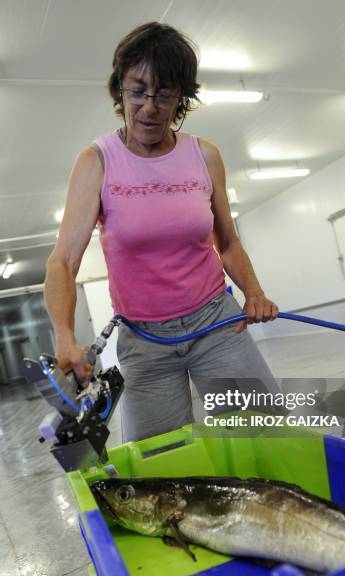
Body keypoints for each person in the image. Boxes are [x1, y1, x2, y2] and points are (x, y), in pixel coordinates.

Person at [45, 22, 280, 442]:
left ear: (182, 98)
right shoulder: (97, 161)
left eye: (165, 93)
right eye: (138, 90)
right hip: (145, 342)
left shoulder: (204, 155)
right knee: (158, 466)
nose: (150, 107)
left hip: (216, 325)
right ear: (120, 90)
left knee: (268, 436)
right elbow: (63, 261)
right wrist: (64, 336)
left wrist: (255, 292)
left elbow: (227, 241)